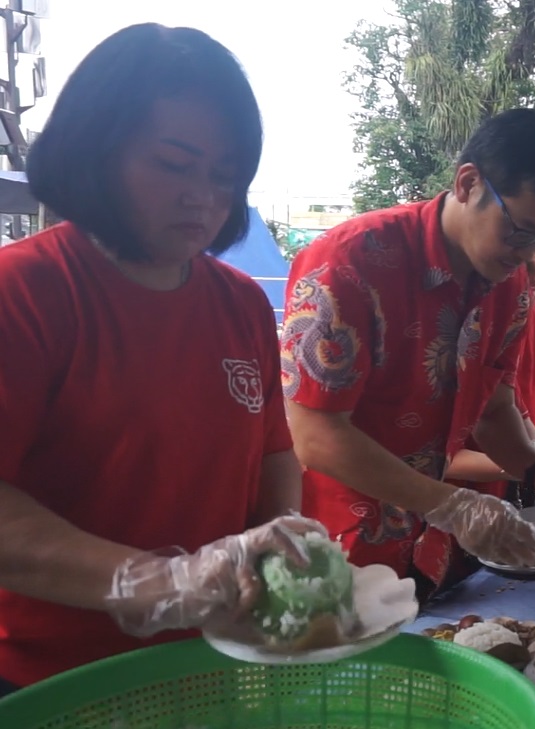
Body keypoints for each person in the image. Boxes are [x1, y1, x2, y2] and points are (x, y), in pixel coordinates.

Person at [0, 24, 318, 693]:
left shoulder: (237, 305)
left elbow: (272, 453)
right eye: (174, 164)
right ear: (97, 152)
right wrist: (158, 581)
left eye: (223, 175)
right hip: (54, 678)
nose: (201, 195)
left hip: (214, 664)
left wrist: (279, 543)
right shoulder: (24, 293)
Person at [282, 109, 535, 600]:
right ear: (467, 183)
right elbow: (314, 434)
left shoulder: (510, 284)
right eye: (519, 231)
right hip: (342, 552)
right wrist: (453, 506)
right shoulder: (350, 263)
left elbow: (494, 412)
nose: (526, 254)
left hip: (439, 548)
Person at [443, 213, 535, 493]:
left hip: (505, 456)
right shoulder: (474, 302)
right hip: (450, 487)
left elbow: (503, 398)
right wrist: (530, 465)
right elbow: (430, 454)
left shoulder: (524, 295)